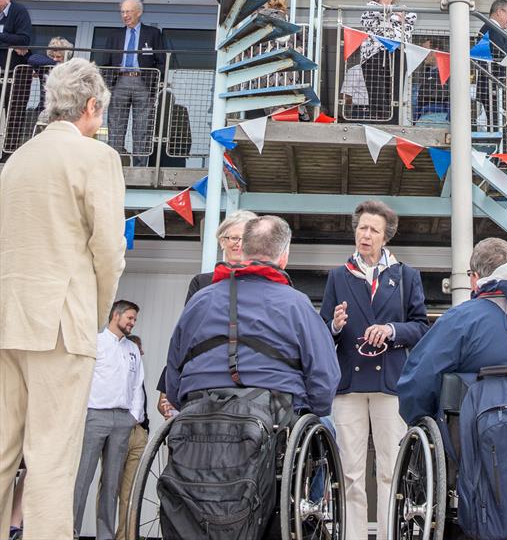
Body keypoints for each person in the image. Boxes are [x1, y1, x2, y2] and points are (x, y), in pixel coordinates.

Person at [0, 58, 126, 540]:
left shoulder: (17, 159)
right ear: (91, 106)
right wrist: (93, 317)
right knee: (51, 456)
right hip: (60, 321)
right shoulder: (96, 157)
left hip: (10, 317)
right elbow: (109, 252)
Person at [321, 199, 429, 540]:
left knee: (390, 471)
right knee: (350, 473)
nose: (365, 235)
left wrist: (392, 331)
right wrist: (335, 325)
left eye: (373, 230)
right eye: (361, 228)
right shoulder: (339, 276)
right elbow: (323, 330)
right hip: (349, 385)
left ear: (386, 237)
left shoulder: (406, 275)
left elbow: (421, 326)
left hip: (389, 384)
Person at [165, 215, 339, 415]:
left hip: (198, 407)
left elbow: (173, 368)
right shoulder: (297, 304)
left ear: (244, 250)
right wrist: (313, 410)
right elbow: (324, 377)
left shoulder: (200, 300)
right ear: (284, 256)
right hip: (274, 410)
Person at [397, 237, 507, 427]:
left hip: (465, 439)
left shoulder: (461, 319)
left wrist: (419, 419)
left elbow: (419, 381)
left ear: (475, 278)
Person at [155, 209, 258, 419]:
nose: (237, 243)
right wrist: (168, 385)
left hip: (251, 373)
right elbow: (185, 335)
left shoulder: (263, 284)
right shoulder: (201, 283)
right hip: (206, 370)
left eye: (244, 238)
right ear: (222, 241)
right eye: (232, 238)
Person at [73, 301, 144, 540]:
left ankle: (105, 535)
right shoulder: (96, 342)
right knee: (83, 477)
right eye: (130, 318)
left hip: (122, 420)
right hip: (95, 416)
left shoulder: (133, 349)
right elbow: (82, 379)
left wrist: (133, 416)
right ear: (116, 315)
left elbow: (137, 385)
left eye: (134, 320)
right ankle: (69, 530)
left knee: (112, 482)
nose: (133, 323)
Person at [99, 0, 165, 166]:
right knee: (116, 126)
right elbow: (105, 62)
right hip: (119, 81)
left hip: (142, 82)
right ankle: (114, 165)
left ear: (139, 12)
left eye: (128, 11)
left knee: (142, 127)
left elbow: (161, 61)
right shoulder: (115, 36)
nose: (125, 15)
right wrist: (109, 84)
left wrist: (154, 83)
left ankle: (140, 168)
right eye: (122, 12)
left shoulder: (153, 33)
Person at [358, 0, 417, 122]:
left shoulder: (401, 9)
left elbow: (411, 19)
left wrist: (390, 14)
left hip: (397, 53)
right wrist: (394, 15)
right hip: (375, 54)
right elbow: (373, 13)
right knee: (377, 90)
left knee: (395, 90)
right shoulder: (370, 7)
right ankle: (379, 121)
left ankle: (394, 122)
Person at [111, 334, 148, 540]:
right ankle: (106, 534)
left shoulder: (139, 375)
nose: (141, 352)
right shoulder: (120, 371)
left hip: (139, 431)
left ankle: (124, 536)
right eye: (137, 348)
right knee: (110, 487)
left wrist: (145, 428)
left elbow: (142, 401)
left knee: (130, 492)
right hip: (120, 429)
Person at [0, 0, 33, 151]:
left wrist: (1, 36)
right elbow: (15, 40)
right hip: (2, 70)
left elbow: (24, 39)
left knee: (14, 112)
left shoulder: (18, 11)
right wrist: (8, 40)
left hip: (15, 72)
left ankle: (9, 150)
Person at [475, 0, 507, 132]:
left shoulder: (491, 28)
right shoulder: (491, 29)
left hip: (495, 87)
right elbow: (501, 54)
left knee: (502, 126)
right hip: (494, 87)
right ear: (499, 12)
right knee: (500, 127)